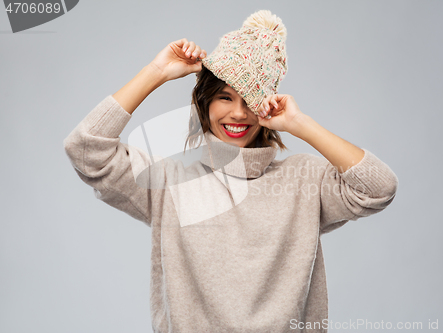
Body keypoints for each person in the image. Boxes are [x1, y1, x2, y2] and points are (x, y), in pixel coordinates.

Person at [63, 10, 398, 333]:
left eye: (251, 98)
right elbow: (85, 149)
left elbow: (378, 188)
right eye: (224, 97)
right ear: (204, 103)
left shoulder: (304, 179)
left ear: (268, 104)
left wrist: (300, 124)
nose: (238, 113)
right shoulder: (169, 180)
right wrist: (156, 71)